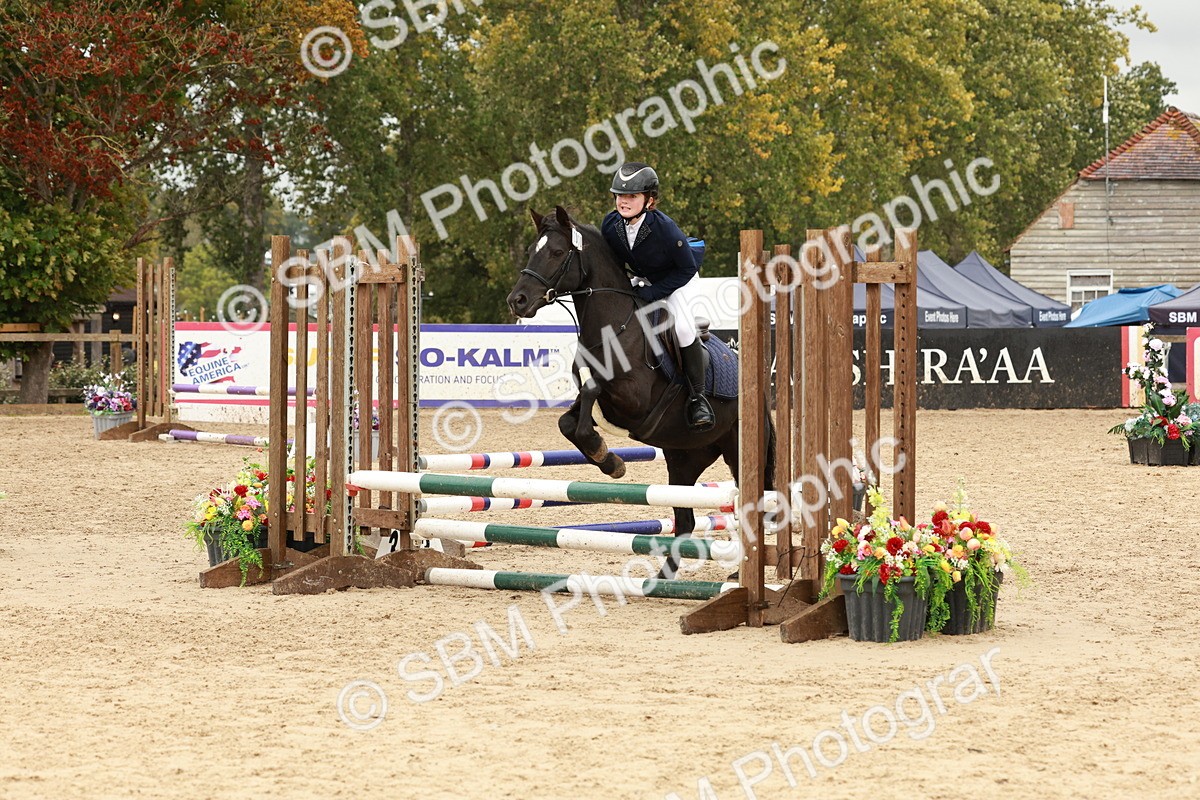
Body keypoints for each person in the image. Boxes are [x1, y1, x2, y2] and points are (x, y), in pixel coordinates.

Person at [600, 162, 714, 431]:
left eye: (631, 196)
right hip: (643, 277)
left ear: (649, 200)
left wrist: (652, 293)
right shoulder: (610, 224)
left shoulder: (665, 228)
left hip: (677, 280)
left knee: (684, 329)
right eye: (619, 195)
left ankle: (698, 398)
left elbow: (686, 268)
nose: (623, 201)